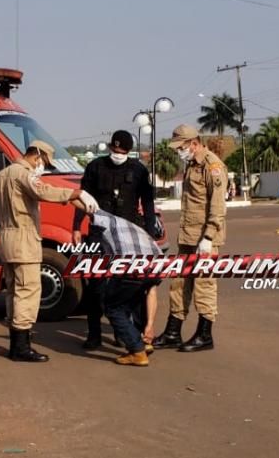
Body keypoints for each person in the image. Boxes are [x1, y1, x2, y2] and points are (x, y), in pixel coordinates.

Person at [0, 140, 98, 362]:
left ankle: (16, 344)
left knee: (13, 292)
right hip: (24, 240)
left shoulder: (2, 175)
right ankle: (21, 348)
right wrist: (76, 193)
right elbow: (43, 191)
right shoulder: (23, 174)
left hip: (6, 239)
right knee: (28, 291)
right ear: (38, 155)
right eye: (44, 163)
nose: (42, 167)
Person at [73, 130, 157, 350]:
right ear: (110, 147)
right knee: (95, 284)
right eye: (115, 149)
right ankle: (94, 334)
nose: (117, 153)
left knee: (129, 286)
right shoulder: (95, 167)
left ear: (128, 151)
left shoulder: (138, 170)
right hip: (99, 232)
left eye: (122, 151)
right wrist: (76, 226)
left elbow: (148, 203)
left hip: (128, 235)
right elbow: (83, 197)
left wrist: (149, 231)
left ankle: (125, 333)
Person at [153, 124, 227, 352]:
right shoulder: (192, 165)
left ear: (193, 143)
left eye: (180, 147)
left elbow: (217, 206)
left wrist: (208, 237)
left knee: (204, 284)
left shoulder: (212, 166)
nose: (178, 151)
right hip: (188, 237)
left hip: (205, 239)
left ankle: (205, 335)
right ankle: (173, 332)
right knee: (179, 283)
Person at [85, 210, 162, 366]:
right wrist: (149, 325)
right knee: (136, 297)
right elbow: (151, 292)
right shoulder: (146, 237)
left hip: (129, 266)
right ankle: (144, 341)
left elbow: (89, 207)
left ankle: (137, 351)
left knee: (112, 308)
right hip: (152, 265)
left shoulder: (107, 220)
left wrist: (69, 198)